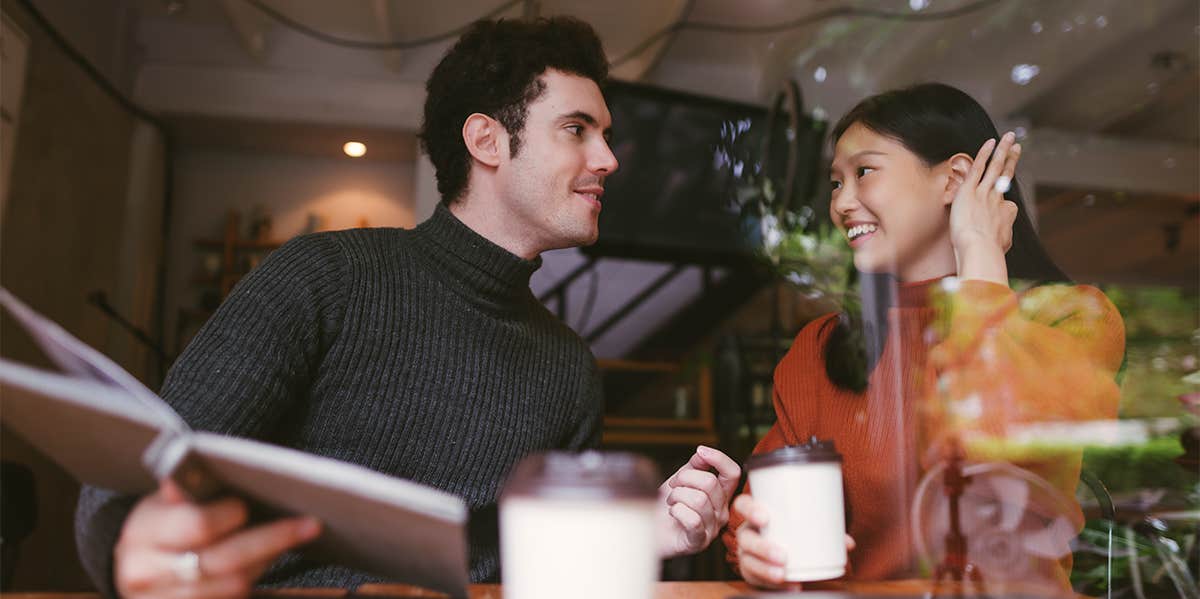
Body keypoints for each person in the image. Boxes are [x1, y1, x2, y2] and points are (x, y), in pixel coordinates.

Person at [75, 17, 741, 598]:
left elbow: (548, 572)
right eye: (577, 129)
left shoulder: (569, 365)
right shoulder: (324, 277)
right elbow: (139, 466)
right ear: (485, 141)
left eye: (605, 133)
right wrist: (130, 540)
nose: (609, 158)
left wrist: (644, 531)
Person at [724, 83, 1124, 589]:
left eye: (864, 172)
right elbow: (765, 509)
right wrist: (761, 549)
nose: (842, 202)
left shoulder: (1071, 317)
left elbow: (995, 432)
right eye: (835, 183)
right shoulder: (821, 347)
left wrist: (979, 251)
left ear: (954, 178)